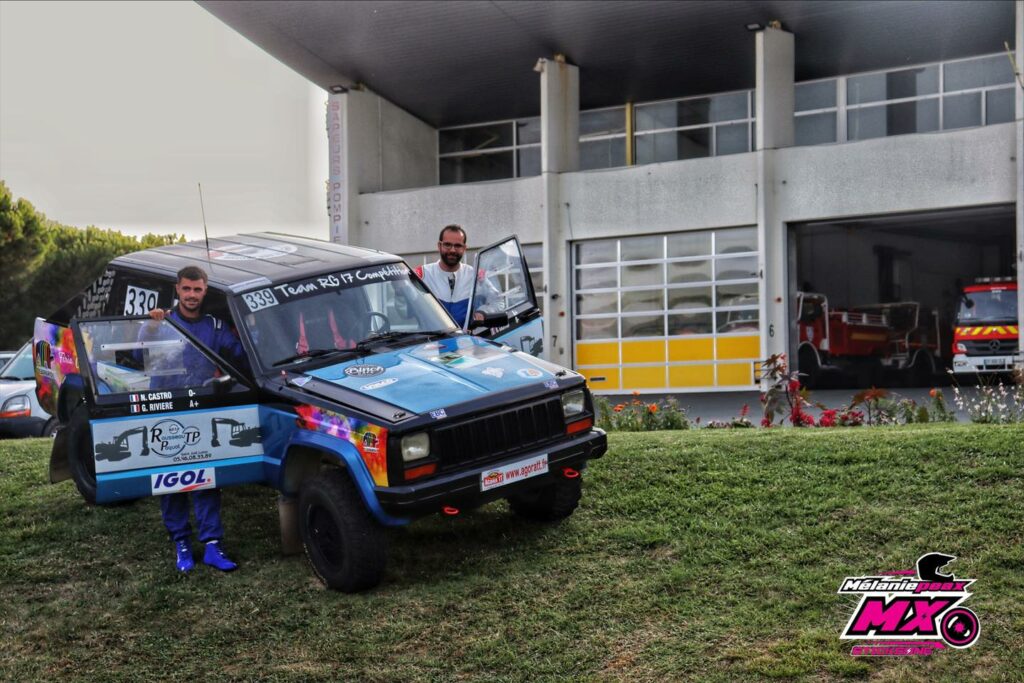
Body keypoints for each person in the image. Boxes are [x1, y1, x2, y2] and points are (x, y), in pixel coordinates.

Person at [144, 265, 244, 574]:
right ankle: (182, 544)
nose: (191, 295)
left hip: (202, 407)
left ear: (205, 290)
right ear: (177, 289)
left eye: (197, 289)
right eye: (186, 289)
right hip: (165, 409)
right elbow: (135, 355)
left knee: (204, 477)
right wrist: (149, 327)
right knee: (171, 480)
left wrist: (255, 337)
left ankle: (212, 545)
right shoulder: (161, 322)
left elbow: (239, 355)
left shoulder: (215, 326)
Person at [414, 224, 480, 329]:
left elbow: (497, 302)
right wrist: (400, 290)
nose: (452, 250)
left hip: (465, 341)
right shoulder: (422, 275)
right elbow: (404, 312)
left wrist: (482, 313)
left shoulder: (474, 275)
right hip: (431, 341)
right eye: (447, 245)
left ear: (464, 248)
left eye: (458, 246)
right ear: (439, 246)